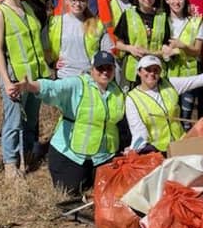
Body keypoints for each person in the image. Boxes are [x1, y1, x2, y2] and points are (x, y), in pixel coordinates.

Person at [20, 51, 125, 195]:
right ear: (92, 69)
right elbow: (55, 88)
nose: (105, 72)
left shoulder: (117, 92)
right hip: (71, 153)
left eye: (109, 68)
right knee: (69, 190)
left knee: (108, 190)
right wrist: (31, 86)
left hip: (103, 155)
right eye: (100, 68)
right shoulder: (78, 84)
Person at [0, 0, 50, 178]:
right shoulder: (0, 12)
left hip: (34, 75)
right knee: (13, 121)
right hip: (15, 77)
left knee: (31, 118)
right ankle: (10, 165)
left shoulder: (28, 8)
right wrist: (6, 81)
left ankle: (28, 156)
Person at [126, 55, 203, 153]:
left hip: (180, 144)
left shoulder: (170, 84)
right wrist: (136, 150)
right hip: (157, 151)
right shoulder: (132, 99)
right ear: (139, 72)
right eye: (148, 69)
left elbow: (199, 79)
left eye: (156, 70)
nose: (152, 73)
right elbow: (138, 132)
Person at [161, 0, 203, 127]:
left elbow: (197, 51)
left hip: (188, 77)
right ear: (167, 0)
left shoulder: (196, 22)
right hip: (166, 77)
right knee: (169, 115)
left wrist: (183, 46)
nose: (177, 2)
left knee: (186, 117)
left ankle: (184, 147)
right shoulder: (161, 21)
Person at [47, 0, 112, 79]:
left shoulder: (97, 24)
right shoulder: (54, 22)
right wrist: (52, 62)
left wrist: (99, 67)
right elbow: (43, 49)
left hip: (88, 76)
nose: (77, 4)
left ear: (87, 3)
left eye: (82, 1)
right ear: (66, 1)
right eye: (73, 0)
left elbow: (107, 50)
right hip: (63, 76)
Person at [114, 0, 170, 85]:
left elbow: (167, 46)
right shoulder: (128, 15)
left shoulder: (162, 16)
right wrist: (129, 48)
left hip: (156, 70)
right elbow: (118, 44)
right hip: (134, 71)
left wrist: (151, 53)